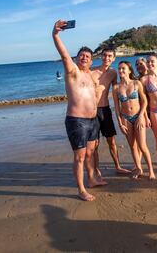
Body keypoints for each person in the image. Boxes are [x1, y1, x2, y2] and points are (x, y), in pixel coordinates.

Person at [52, 20, 106, 201]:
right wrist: (55, 34)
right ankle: (81, 189)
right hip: (77, 121)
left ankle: (91, 179)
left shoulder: (90, 76)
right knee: (80, 157)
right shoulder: (72, 71)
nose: (84, 58)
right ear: (76, 59)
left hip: (92, 120)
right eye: (81, 55)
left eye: (88, 56)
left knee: (91, 152)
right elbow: (64, 55)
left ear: (91, 61)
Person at [113, 61, 155, 180]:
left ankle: (151, 170)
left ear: (129, 70)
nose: (120, 71)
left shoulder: (136, 83)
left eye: (123, 68)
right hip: (126, 119)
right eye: (119, 69)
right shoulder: (116, 87)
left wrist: (142, 116)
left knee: (142, 145)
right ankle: (138, 168)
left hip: (138, 116)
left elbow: (144, 101)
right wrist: (120, 123)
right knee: (132, 146)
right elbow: (117, 107)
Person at [91, 48, 130, 176]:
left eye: (109, 56)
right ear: (101, 56)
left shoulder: (113, 73)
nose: (106, 58)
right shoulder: (91, 71)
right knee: (94, 143)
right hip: (91, 111)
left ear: (113, 58)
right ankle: (96, 169)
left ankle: (118, 166)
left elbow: (118, 90)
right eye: (104, 55)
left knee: (111, 141)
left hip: (105, 110)